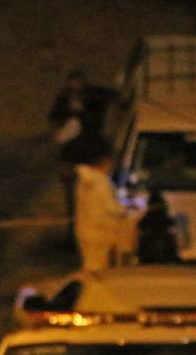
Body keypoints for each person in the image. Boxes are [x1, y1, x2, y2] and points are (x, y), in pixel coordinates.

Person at [49, 70, 120, 223]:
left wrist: (82, 111)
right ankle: (74, 225)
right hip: (73, 153)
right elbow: (54, 116)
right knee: (73, 194)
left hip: (92, 151)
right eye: (72, 85)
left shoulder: (94, 96)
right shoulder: (64, 98)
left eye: (77, 84)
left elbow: (113, 98)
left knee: (96, 190)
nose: (75, 89)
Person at [73, 136, 136, 272]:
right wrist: (128, 209)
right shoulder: (99, 182)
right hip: (100, 234)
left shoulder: (85, 180)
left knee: (91, 265)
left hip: (86, 230)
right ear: (104, 161)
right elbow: (111, 208)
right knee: (97, 270)